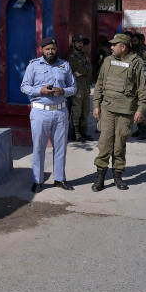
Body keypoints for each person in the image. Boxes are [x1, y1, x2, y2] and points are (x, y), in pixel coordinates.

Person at [91, 33, 146, 192]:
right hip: (108, 109)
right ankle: (100, 178)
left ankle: (118, 176)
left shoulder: (137, 63)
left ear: (123, 47)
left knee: (119, 145)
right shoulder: (107, 61)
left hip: (126, 111)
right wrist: (96, 104)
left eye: (114, 45)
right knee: (104, 144)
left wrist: (141, 110)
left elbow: (144, 90)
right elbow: (99, 84)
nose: (111, 47)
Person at [20, 38, 76, 193]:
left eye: (53, 48)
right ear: (42, 50)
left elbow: (74, 87)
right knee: (39, 147)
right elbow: (24, 87)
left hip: (60, 111)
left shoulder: (64, 65)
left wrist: (63, 91)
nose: (50, 51)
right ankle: (37, 181)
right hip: (40, 112)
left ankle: (59, 179)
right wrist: (40, 91)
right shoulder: (33, 66)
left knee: (60, 147)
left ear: (56, 49)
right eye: (47, 49)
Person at [68, 34, 94, 141]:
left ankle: (84, 132)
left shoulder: (83, 55)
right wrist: (85, 70)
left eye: (81, 42)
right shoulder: (71, 56)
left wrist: (84, 71)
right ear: (73, 43)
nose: (80, 44)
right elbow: (77, 68)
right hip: (77, 87)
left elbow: (90, 69)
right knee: (77, 111)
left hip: (85, 87)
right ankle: (76, 133)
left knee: (86, 111)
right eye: (78, 42)